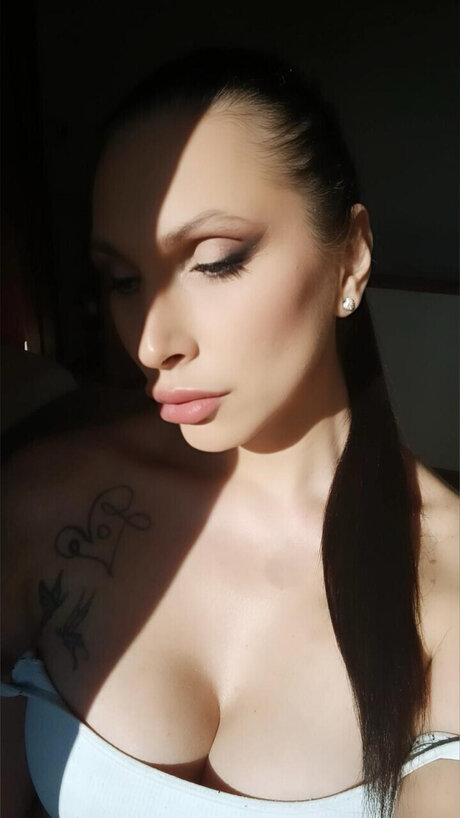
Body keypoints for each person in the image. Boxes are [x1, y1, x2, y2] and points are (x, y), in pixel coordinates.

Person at [2, 46, 458, 818]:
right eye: (123, 281)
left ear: (351, 258)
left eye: (214, 262)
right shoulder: (45, 504)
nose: (151, 344)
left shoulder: (444, 587)